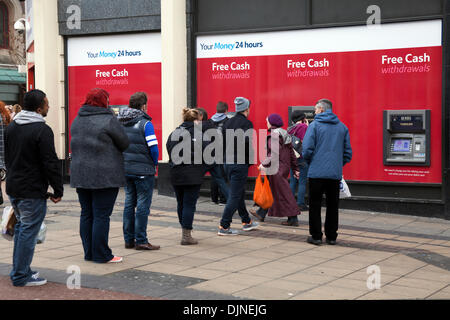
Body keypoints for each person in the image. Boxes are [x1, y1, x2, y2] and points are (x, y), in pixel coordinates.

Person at [5, 90, 63, 286]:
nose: (49, 107)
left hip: (14, 187)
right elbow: (50, 162)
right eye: (47, 104)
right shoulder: (41, 130)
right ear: (39, 108)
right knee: (28, 232)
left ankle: (21, 270)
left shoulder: (12, 127)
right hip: (31, 189)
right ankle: (21, 275)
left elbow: (9, 156)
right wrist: (58, 189)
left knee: (22, 230)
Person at [70, 88, 130, 263]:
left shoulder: (77, 119)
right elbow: (124, 143)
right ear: (105, 101)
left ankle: (89, 253)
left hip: (81, 174)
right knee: (101, 215)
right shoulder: (109, 119)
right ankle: (102, 254)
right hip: (104, 175)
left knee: (87, 214)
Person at [302, 99, 352, 245]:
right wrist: (337, 164)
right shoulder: (342, 127)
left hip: (316, 173)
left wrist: (313, 162)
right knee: (332, 206)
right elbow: (347, 153)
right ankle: (331, 237)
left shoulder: (314, 126)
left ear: (322, 110)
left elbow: (306, 150)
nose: (314, 111)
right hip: (334, 174)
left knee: (315, 205)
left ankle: (316, 236)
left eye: (316, 109)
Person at [117, 92, 160, 251]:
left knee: (129, 203)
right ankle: (141, 240)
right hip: (143, 170)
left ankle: (129, 240)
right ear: (143, 106)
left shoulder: (120, 122)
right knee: (143, 205)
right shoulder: (145, 124)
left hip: (126, 169)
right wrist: (153, 164)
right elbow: (154, 149)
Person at [166, 108, 208, 245]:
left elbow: (169, 148)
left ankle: (185, 229)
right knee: (189, 204)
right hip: (193, 174)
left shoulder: (174, 133)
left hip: (176, 173)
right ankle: (186, 235)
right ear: (196, 120)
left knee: (181, 203)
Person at [218, 97, 259, 235]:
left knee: (238, 193)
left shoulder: (227, 123)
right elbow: (248, 144)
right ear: (247, 109)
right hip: (239, 163)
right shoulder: (247, 123)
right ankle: (224, 226)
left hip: (227, 162)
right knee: (235, 196)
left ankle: (246, 222)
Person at [255, 114, 301, 225]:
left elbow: (274, 153)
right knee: (272, 190)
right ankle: (261, 212)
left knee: (284, 193)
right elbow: (292, 154)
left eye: (267, 121)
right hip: (283, 167)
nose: (266, 123)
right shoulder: (285, 134)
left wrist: (264, 164)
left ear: (272, 123)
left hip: (276, 169)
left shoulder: (274, 135)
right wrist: (295, 169)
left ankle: (293, 218)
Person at [204, 102, 230, 206]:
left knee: (214, 174)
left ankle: (214, 198)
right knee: (223, 176)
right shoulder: (228, 121)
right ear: (226, 111)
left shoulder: (210, 121)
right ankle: (223, 200)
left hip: (211, 151)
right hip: (223, 152)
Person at [288, 111, 310, 211]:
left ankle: (290, 202)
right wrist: (308, 126)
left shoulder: (290, 129)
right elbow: (307, 141)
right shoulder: (304, 127)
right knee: (302, 181)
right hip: (302, 158)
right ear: (302, 118)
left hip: (292, 158)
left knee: (292, 181)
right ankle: (300, 203)